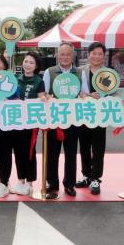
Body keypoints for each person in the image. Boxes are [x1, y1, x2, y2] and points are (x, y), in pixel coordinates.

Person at [42, 42, 83, 197]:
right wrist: (47, 97)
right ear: (57, 56)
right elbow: (44, 93)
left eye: (68, 54)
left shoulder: (79, 72)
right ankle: (52, 184)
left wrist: (84, 96)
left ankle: (69, 184)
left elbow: (84, 93)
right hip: (54, 118)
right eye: (62, 54)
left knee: (71, 153)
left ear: (73, 56)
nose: (65, 57)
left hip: (72, 118)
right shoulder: (50, 72)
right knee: (52, 153)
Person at [0, 54, 23, 198]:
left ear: (5, 65)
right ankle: (4, 182)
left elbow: (18, 97)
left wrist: (8, 100)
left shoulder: (12, 79)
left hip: (7, 121)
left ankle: (4, 182)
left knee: (6, 152)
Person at [76, 42, 108, 195]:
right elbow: (76, 92)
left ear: (104, 56)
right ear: (88, 55)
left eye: (100, 54)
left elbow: (113, 93)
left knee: (98, 148)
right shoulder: (80, 71)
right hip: (83, 114)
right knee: (84, 147)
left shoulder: (108, 73)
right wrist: (88, 95)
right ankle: (86, 175)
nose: (96, 56)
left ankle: (96, 178)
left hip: (100, 115)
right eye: (94, 53)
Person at [14, 51, 47, 195]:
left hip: (31, 122)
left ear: (36, 66)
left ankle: (30, 182)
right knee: (18, 150)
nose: (27, 65)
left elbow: (41, 98)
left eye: (31, 63)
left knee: (29, 151)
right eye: (26, 61)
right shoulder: (16, 79)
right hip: (15, 120)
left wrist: (44, 99)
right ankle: (20, 180)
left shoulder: (39, 81)